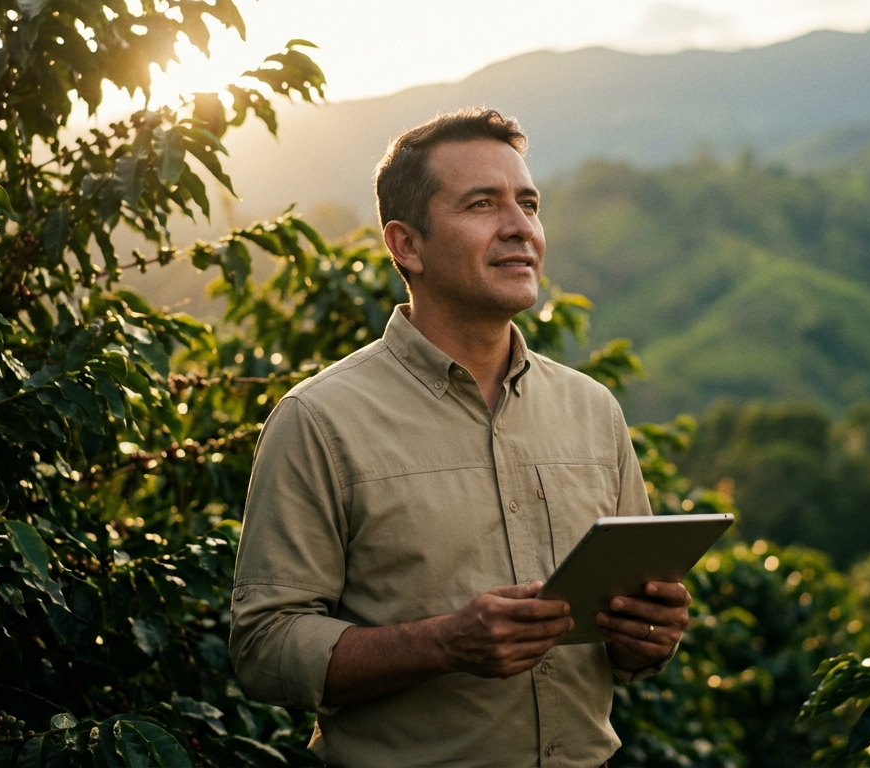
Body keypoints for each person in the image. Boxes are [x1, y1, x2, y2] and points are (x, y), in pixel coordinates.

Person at [229, 108, 690, 767]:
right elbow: (263, 648)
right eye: (482, 204)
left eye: (528, 204)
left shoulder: (594, 411)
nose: (520, 228)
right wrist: (443, 644)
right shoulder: (320, 420)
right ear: (405, 244)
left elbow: (629, 634)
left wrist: (648, 636)